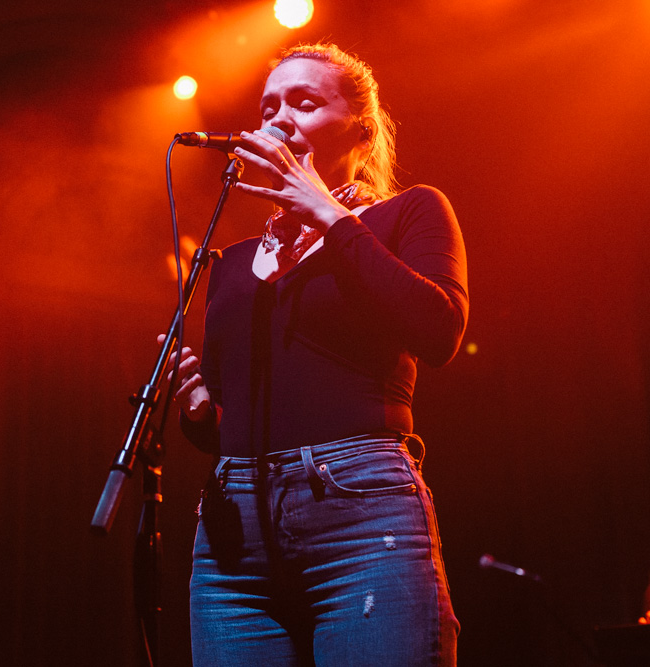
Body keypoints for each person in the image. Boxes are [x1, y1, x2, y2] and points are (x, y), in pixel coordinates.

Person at [164, 43, 467, 665]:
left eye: (304, 103)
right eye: (268, 105)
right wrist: (198, 409)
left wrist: (329, 214)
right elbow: (231, 423)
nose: (279, 119)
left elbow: (439, 332)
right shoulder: (233, 263)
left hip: (360, 508)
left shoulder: (408, 213)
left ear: (359, 127)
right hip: (234, 527)